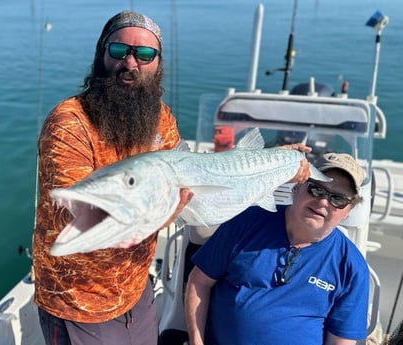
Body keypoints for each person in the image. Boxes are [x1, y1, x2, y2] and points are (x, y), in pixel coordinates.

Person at [32, 10, 193, 345]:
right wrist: (171, 203)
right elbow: (79, 211)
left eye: (145, 54)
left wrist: (278, 165)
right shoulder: (69, 122)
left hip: (136, 290)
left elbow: (186, 172)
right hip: (78, 302)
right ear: (102, 55)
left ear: (158, 63)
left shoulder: (161, 118)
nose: (130, 63)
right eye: (119, 51)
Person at [185, 153, 370, 345]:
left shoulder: (352, 266)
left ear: (348, 212)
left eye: (337, 199)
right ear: (297, 187)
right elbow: (199, 282)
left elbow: (341, 340)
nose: (323, 202)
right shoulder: (246, 222)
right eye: (317, 189)